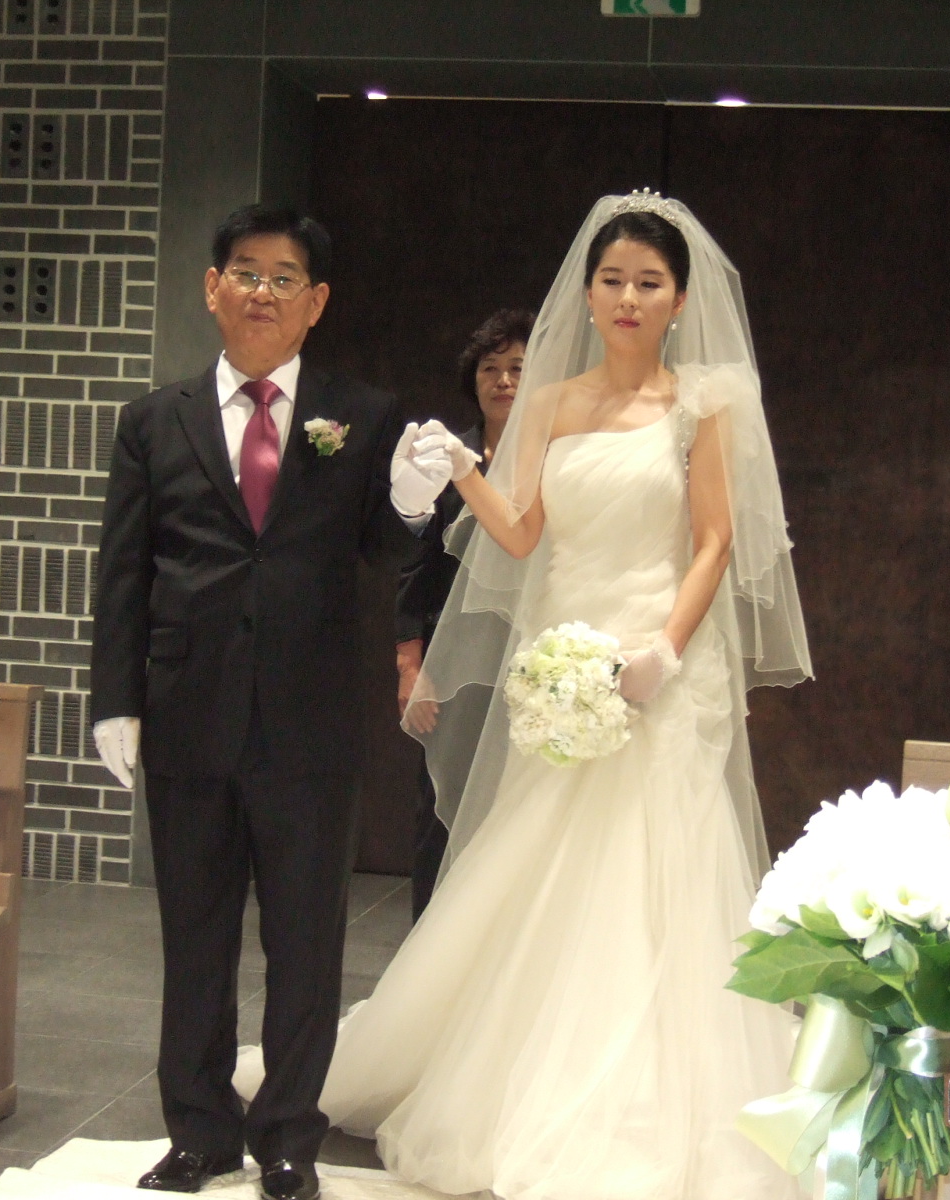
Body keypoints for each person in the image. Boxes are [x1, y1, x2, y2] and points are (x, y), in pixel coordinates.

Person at [314, 194, 814, 1200]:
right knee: (543, 856)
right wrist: (465, 470)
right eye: (612, 279)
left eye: (649, 283)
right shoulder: (548, 401)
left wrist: (663, 650)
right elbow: (520, 531)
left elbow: (715, 540)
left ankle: (652, 1098)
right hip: (563, 655)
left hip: (661, 664)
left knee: (659, 867)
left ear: (679, 300)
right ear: (586, 293)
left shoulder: (704, 402)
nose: (629, 298)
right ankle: (521, 1075)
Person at [89, 204, 458, 1200]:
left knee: (306, 940)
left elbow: (382, 548)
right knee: (194, 936)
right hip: (188, 711)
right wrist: (115, 699)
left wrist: (411, 501)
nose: (262, 291)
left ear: (316, 302)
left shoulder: (359, 413)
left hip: (310, 720)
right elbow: (124, 572)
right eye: (244, 272)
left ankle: (288, 1136)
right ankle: (199, 1131)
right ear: (211, 288)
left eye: (284, 276)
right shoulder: (154, 419)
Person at [396, 308, 531, 919]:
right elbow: (414, 566)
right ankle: (429, 945)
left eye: (518, 368)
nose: (503, 380)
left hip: (532, 659)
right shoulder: (445, 457)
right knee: (441, 807)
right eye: (490, 368)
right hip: (453, 663)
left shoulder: (554, 457)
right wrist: (412, 666)